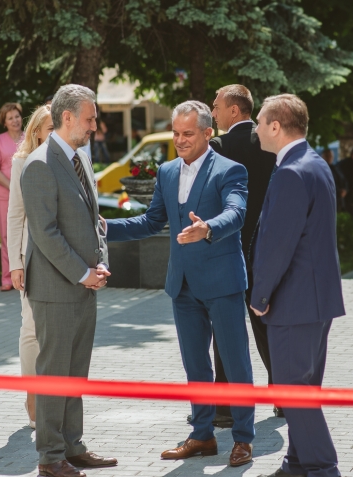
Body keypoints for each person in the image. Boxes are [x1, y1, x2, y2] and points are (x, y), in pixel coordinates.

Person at [106, 100, 255, 468]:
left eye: (187, 133)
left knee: (236, 364)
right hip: (182, 285)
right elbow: (151, 221)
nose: (179, 140)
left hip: (222, 282)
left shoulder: (231, 170)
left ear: (208, 133)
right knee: (195, 365)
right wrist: (105, 227)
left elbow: (236, 212)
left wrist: (209, 228)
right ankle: (202, 436)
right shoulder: (167, 172)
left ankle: (243, 439)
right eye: (175, 133)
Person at [21, 85, 115, 477]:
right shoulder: (39, 163)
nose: (95, 125)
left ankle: (72, 446)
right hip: (57, 289)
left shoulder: (81, 159)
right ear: (67, 117)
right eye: (90, 118)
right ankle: (49, 458)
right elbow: (45, 233)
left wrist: (101, 265)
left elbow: (94, 221)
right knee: (55, 374)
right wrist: (82, 272)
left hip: (84, 285)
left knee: (76, 371)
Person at [250, 94, 345, 477]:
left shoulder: (291, 171)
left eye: (259, 122)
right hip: (317, 301)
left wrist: (259, 296)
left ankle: (322, 467)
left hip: (293, 302)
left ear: (276, 126)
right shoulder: (316, 163)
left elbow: (278, 243)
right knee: (303, 387)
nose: (256, 128)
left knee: (294, 391)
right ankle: (298, 463)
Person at [209, 84, 279, 426]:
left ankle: (224, 407)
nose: (213, 112)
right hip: (266, 246)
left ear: (234, 110)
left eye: (217, 106)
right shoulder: (269, 141)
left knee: (226, 327)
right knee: (267, 322)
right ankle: (283, 394)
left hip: (228, 246)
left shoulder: (218, 147)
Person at [8, 104, 53, 429]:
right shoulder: (22, 161)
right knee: (31, 328)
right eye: (50, 127)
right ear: (36, 130)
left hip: (65, 258)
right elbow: (15, 215)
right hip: (31, 256)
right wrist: (15, 263)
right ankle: (33, 393)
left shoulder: (74, 158)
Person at [0, 102, 24, 291]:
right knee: (6, 236)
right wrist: (13, 187)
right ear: (4, 122)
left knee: (27, 235)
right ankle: (7, 277)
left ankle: (26, 275)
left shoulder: (30, 138)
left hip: (27, 194)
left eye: (17, 116)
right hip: (4, 196)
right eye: (10, 118)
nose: (15, 120)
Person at [322, 148, 346, 212]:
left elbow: (343, 179)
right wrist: (338, 191)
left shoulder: (336, 168)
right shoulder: (321, 169)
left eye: (331, 156)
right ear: (323, 156)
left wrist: (344, 189)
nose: (330, 158)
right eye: (328, 156)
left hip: (338, 200)